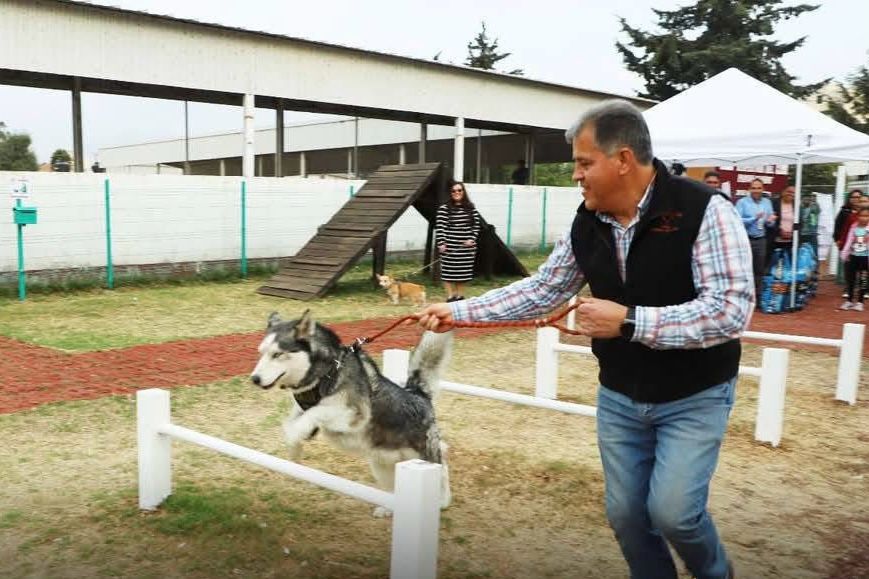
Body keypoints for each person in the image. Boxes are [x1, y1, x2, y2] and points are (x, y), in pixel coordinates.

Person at [419, 100, 751, 579]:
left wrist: (631, 321)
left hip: (694, 394)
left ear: (622, 160)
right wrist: (457, 311)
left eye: (583, 162)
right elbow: (543, 289)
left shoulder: (705, 211)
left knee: (674, 513)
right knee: (626, 517)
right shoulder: (585, 222)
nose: (575, 175)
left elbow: (729, 310)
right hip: (620, 394)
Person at [435, 181, 481, 302]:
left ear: (463, 192)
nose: (457, 193)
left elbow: (476, 226)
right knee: (448, 272)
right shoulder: (443, 209)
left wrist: (472, 239)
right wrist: (441, 243)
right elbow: (440, 227)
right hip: (449, 247)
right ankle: (450, 297)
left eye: (459, 190)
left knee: (462, 273)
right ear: (450, 193)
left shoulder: (471, 208)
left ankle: (460, 296)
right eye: (453, 191)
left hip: (466, 248)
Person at [735, 178, 777, 299]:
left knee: (759, 269)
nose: (756, 190)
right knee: (744, 269)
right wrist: (753, 218)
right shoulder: (742, 202)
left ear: (763, 189)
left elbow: (769, 223)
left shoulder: (767, 203)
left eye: (759, 188)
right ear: (749, 189)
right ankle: (743, 295)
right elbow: (737, 220)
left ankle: (757, 296)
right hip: (745, 239)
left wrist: (770, 221)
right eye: (754, 187)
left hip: (761, 239)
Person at [839, 206, 869, 311]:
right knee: (850, 280)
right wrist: (844, 254)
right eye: (861, 215)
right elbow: (848, 241)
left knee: (863, 280)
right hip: (852, 257)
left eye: (866, 216)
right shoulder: (854, 227)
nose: (864, 218)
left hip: (865, 259)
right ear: (858, 216)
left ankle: (860, 302)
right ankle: (849, 300)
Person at [800, 191, 821, 260]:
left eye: (808, 199)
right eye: (805, 199)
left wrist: (814, 203)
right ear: (802, 199)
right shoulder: (799, 208)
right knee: (800, 251)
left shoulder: (814, 207)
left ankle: (815, 268)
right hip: (801, 233)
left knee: (814, 251)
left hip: (811, 233)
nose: (807, 201)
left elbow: (818, 211)